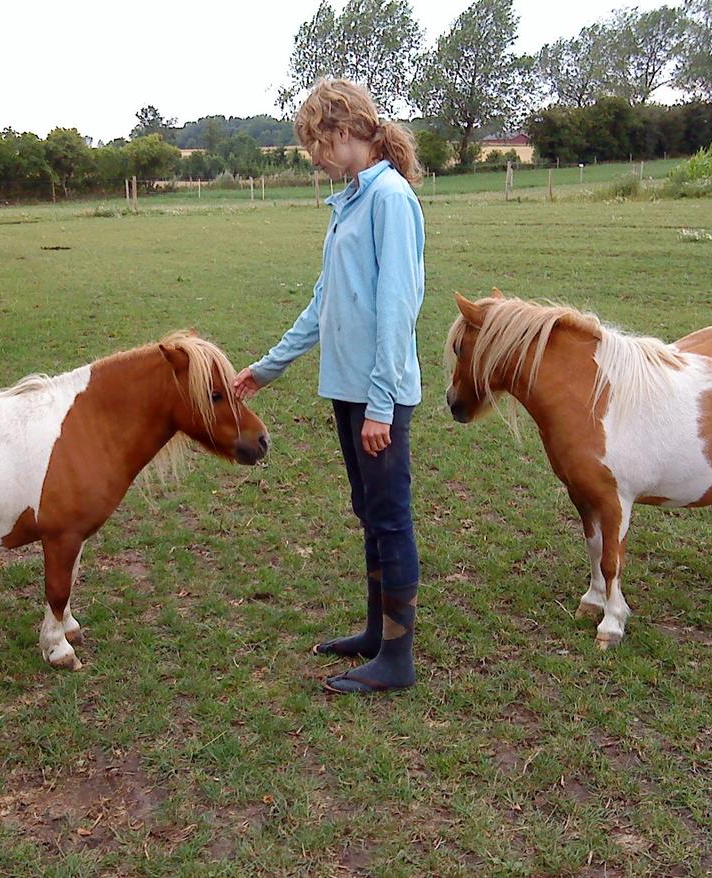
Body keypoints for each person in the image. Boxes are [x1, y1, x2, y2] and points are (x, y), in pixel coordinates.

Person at [233, 79, 425, 694]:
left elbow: (397, 306)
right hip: (348, 388)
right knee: (370, 513)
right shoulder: (350, 203)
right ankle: (377, 633)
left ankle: (397, 659)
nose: (314, 157)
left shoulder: (389, 198)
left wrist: (381, 404)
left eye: (316, 143)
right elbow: (324, 303)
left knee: (389, 518)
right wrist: (267, 368)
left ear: (343, 132)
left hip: (378, 394)